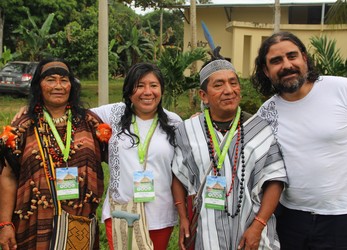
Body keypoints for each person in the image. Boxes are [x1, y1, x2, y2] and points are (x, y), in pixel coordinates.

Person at [252, 31, 347, 249]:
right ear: (266, 70)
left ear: (304, 57)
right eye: (276, 61)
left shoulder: (341, 89)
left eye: (292, 56)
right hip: (292, 219)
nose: (286, 65)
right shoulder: (267, 112)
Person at [171, 52, 288, 250]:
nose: (229, 90)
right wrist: (183, 217)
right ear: (203, 95)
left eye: (233, 83)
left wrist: (258, 226)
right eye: (218, 85)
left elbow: (275, 180)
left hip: (252, 233)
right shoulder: (188, 131)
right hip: (207, 234)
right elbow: (178, 176)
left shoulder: (259, 129)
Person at [0, 58, 108, 250]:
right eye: (50, 80)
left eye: (64, 80)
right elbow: (7, 176)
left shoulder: (90, 122)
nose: (58, 86)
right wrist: (5, 223)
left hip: (78, 224)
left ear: (71, 86)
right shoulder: (23, 127)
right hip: (34, 226)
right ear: (38, 86)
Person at [91, 62, 182, 250]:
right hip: (121, 211)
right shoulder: (113, 113)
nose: (147, 92)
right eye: (140, 85)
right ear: (129, 90)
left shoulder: (174, 122)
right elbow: (74, 115)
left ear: (162, 90)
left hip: (160, 214)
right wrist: (29, 110)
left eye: (153, 85)